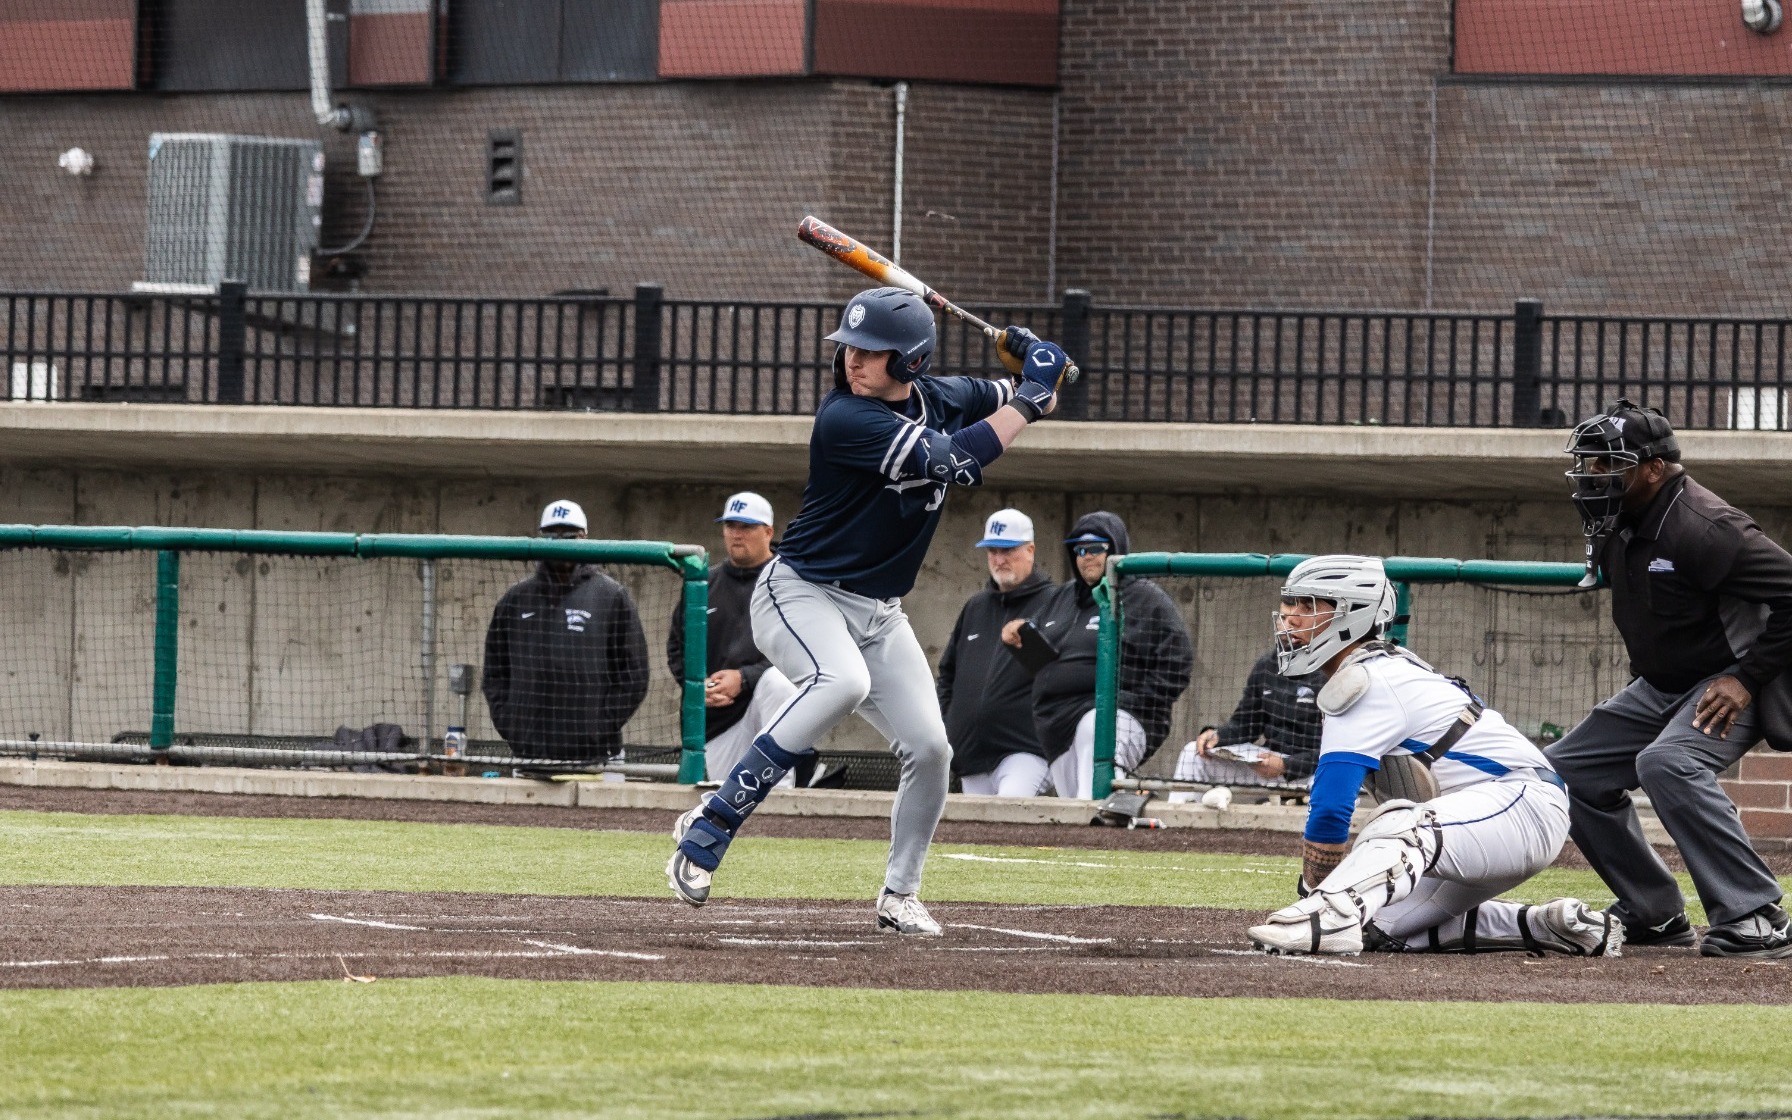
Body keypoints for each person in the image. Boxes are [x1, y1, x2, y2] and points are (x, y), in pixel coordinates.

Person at [666, 286, 1071, 936]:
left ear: (909, 363)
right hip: (800, 591)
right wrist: (1032, 394)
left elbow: (1026, 394)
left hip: (879, 611)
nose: (854, 361)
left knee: (931, 749)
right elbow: (955, 461)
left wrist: (1035, 362)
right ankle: (713, 818)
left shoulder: (942, 397)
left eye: (872, 353)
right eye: (850, 348)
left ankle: (899, 895)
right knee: (843, 682)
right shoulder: (845, 419)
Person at [1245, 555, 1622, 957]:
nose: (1289, 617)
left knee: (1398, 829)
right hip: (1482, 825)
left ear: (1351, 616)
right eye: (1289, 604)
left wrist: (1314, 899)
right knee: (1377, 924)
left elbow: (1331, 809)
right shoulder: (1370, 670)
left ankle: (1327, 919)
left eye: (1308, 605)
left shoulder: (1368, 680)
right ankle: (1547, 926)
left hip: (1521, 804)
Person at [1547, 400, 1792, 958]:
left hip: (1734, 682)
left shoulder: (1708, 527)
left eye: (1607, 463)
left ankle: (1755, 913)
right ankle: (1655, 913)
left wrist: (1747, 678)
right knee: (1563, 773)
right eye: (1586, 463)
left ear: (1653, 468)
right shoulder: (1617, 517)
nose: (1591, 475)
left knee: (1668, 763)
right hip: (1662, 686)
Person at [1023, 511, 1192, 800]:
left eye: (1097, 549)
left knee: (1094, 747)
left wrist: (1134, 701)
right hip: (1056, 725)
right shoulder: (1060, 598)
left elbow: (1179, 660)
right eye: (1080, 550)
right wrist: (1021, 641)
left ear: (1114, 549)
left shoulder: (1144, 597)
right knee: (1074, 804)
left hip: (1122, 715)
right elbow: (1042, 663)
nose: (1087, 556)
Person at [482, 500, 649, 763]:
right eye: (553, 534)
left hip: (597, 754)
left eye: (570, 534)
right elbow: (495, 672)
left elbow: (634, 675)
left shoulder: (611, 596)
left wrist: (599, 727)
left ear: (584, 537)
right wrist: (512, 726)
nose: (561, 541)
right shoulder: (515, 599)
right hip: (528, 752)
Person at [667, 491, 800, 782]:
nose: (737, 535)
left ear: (768, 532)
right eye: (731, 526)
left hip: (764, 703)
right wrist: (697, 685)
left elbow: (805, 652)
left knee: (778, 683)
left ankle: (783, 792)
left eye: (746, 527)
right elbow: (678, 647)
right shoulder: (704, 582)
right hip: (719, 716)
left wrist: (745, 677)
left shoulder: (791, 581)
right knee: (724, 798)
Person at [938, 508, 1055, 797]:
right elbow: (948, 674)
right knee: (976, 838)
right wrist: (949, 725)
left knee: (1007, 819)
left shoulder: (1054, 601)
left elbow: (1060, 674)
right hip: (971, 756)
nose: (999, 559)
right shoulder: (976, 606)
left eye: (1008, 550)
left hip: (1027, 750)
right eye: (992, 550)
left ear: (1030, 550)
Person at [1172, 650, 1323, 794]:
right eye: (1282, 620)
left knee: (1331, 779)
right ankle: (1178, 820)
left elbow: (1341, 748)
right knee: (1192, 753)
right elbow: (1246, 724)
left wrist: (1288, 765)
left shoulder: (1330, 666)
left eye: (1300, 620)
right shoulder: (1267, 665)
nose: (1289, 623)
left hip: (1311, 772)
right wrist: (1218, 735)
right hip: (1267, 766)